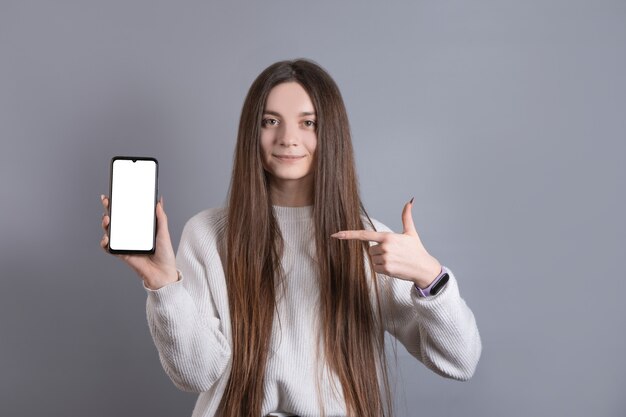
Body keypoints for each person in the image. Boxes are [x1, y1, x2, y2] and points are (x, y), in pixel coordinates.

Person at [100, 59, 481, 417]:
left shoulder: (373, 243)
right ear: (253, 130)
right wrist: (163, 283)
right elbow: (195, 374)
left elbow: (461, 360)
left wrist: (430, 277)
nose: (287, 138)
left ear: (331, 133)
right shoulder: (208, 234)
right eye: (270, 121)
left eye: (308, 123)